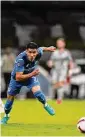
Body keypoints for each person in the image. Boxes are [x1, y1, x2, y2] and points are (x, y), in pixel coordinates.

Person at [1, 42, 56, 124]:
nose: (32, 55)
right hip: (16, 80)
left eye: (34, 52)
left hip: (30, 77)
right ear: (26, 51)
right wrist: (32, 74)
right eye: (30, 52)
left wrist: (48, 48)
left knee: (37, 93)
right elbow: (18, 77)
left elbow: (41, 48)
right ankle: (6, 116)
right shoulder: (21, 59)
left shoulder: (39, 53)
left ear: (36, 52)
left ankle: (45, 105)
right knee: (9, 101)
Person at [47, 37, 74, 104]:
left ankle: (59, 99)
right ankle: (51, 97)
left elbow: (71, 62)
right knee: (53, 83)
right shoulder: (55, 53)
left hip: (63, 71)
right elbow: (51, 61)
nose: (59, 44)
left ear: (64, 44)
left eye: (60, 43)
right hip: (55, 71)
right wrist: (50, 63)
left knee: (61, 84)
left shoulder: (67, 53)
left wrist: (70, 71)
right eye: (58, 43)